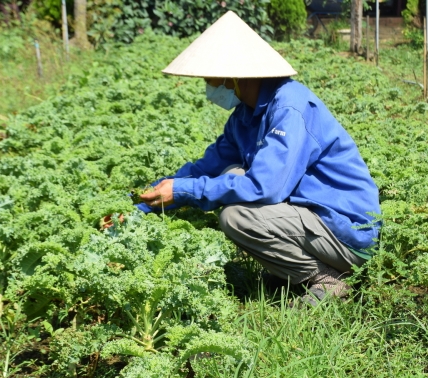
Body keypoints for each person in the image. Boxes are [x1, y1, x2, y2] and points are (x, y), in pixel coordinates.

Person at [137, 11, 380, 304]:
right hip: (308, 218)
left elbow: (265, 188)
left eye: (209, 77)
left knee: (236, 216)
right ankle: (291, 270)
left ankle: (327, 278)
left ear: (233, 75)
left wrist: (185, 191)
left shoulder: (290, 108)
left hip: (346, 231)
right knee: (232, 174)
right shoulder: (244, 117)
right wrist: (143, 205)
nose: (207, 85)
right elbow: (207, 167)